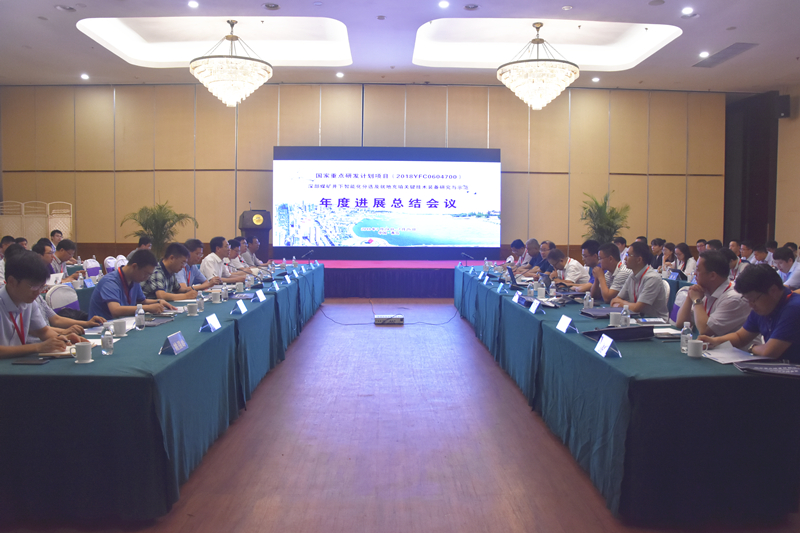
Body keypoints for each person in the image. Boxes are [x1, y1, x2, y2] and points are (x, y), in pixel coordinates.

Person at [700, 264, 800, 363]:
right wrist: (714, 341)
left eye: (753, 299)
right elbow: (740, 337)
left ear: (773, 291)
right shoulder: (765, 306)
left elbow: (769, 352)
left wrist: (752, 348)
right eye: (748, 300)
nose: (751, 305)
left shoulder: (794, 308)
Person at [0, 251, 86, 359]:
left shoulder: (29, 301)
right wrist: (38, 347)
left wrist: (63, 339)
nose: (38, 292)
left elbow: (43, 331)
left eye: (41, 287)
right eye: (33, 287)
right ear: (12, 281)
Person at [30, 242, 106, 336]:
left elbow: (56, 319)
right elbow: (40, 330)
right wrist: (64, 332)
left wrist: (87, 323)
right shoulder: (25, 304)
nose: (38, 290)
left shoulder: (38, 298)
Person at [675, 251, 750, 336]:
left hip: (729, 345)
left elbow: (705, 331)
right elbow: (681, 323)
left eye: (698, 270)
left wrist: (697, 300)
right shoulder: (704, 290)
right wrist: (690, 296)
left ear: (712, 276)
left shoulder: (734, 298)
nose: (695, 273)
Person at [88, 249, 174, 320]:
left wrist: (158, 301)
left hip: (123, 324)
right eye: (146, 274)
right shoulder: (110, 281)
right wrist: (147, 308)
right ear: (134, 266)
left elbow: (142, 301)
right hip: (102, 328)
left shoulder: (134, 279)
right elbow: (115, 310)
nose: (146, 278)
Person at [610, 241, 668, 318]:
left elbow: (637, 308)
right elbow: (615, 300)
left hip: (656, 321)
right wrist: (624, 304)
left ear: (639, 260)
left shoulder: (652, 278)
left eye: (628, 255)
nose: (625, 258)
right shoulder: (632, 276)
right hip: (637, 318)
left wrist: (622, 303)